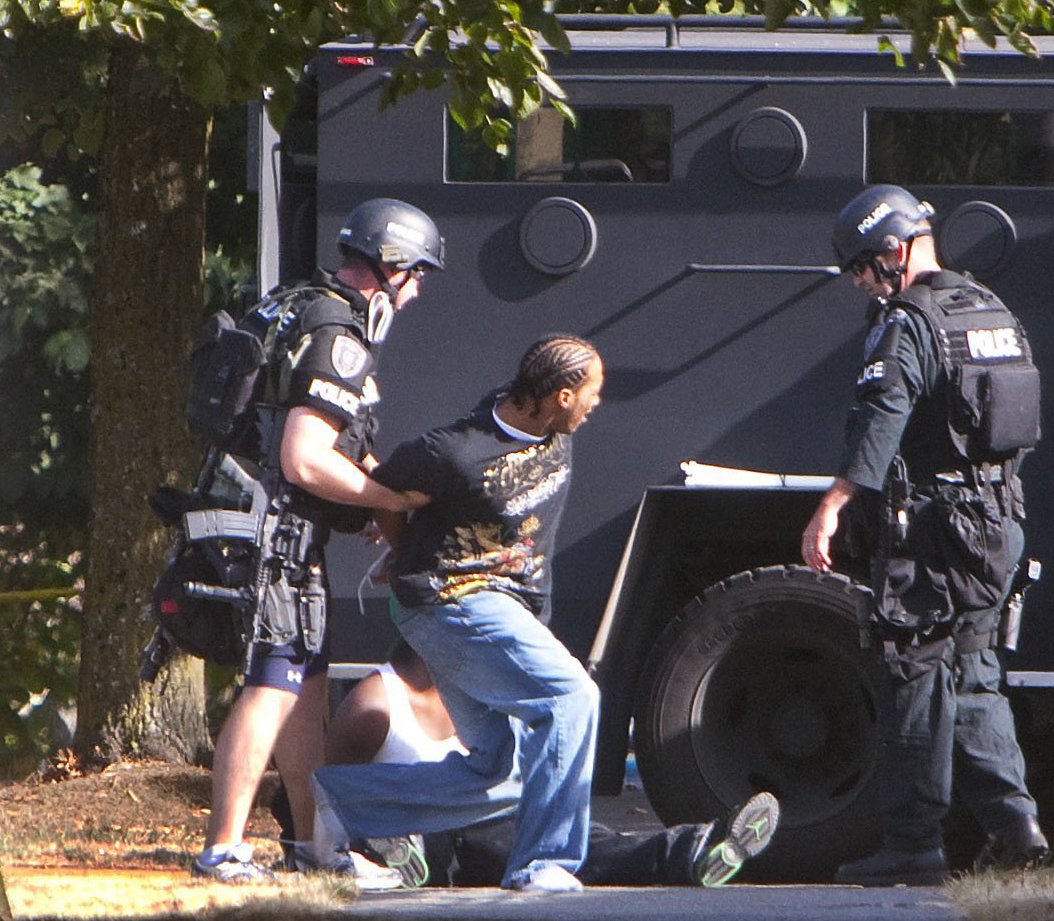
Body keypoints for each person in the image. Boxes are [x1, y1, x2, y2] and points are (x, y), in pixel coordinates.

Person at [191, 198, 445, 886]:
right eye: (417, 274)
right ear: (390, 265)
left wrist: (367, 493)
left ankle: (313, 847)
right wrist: (390, 501)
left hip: (257, 527)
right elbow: (305, 459)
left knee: (304, 690)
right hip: (272, 537)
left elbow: (323, 442)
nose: (416, 292)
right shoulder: (340, 334)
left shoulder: (293, 303)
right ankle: (222, 850)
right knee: (271, 689)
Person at [800, 185, 1049, 886]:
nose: (858, 282)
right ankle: (1015, 825)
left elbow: (882, 415)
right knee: (974, 671)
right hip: (998, 524)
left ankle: (912, 845)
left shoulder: (908, 322)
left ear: (893, 250)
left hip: (935, 531)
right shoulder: (990, 310)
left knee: (911, 672)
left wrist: (833, 505)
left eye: (860, 267)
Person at [309, 335, 607, 893]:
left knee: (503, 768)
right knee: (573, 696)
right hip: (452, 601)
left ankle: (337, 799)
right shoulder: (454, 451)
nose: (598, 404)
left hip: (506, 605)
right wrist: (406, 553)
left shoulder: (550, 425)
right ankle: (543, 862)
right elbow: (384, 490)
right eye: (594, 392)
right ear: (562, 396)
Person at [289, 640, 780, 888]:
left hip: (490, 828)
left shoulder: (484, 692)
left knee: (585, 841)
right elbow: (327, 801)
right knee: (436, 834)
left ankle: (696, 851)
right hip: (423, 829)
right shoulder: (374, 704)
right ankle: (398, 852)